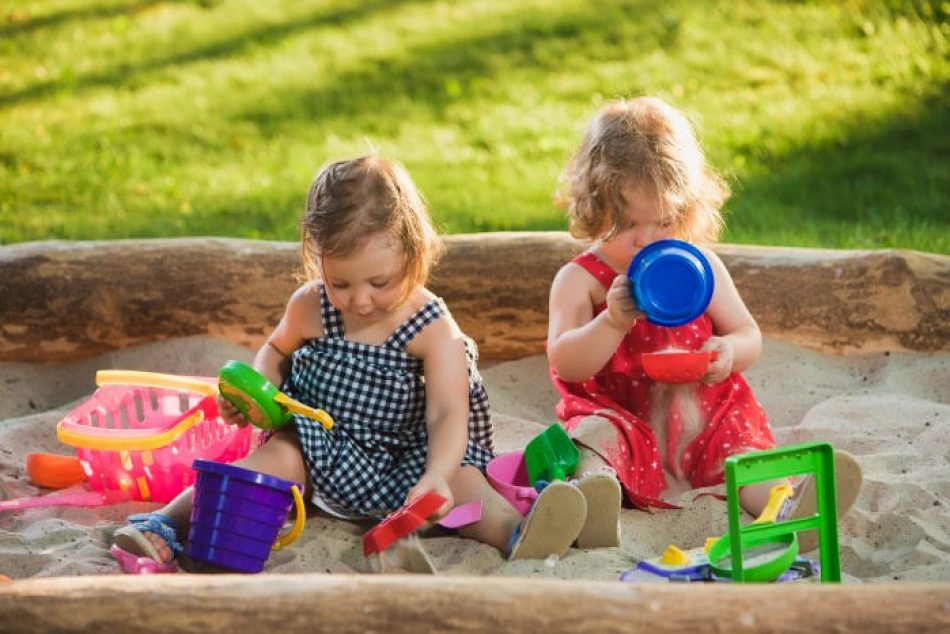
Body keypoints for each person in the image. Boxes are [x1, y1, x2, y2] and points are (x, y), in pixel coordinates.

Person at [115, 155, 587, 567]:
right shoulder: (310, 306)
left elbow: (447, 413)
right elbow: (276, 349)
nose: (360, 300)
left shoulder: (431, 326)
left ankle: (517, 533)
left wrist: (436, 473)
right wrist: (257, 392)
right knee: (268, 460)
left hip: (409, 464)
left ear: (413, 253)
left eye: (379, 283)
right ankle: (164, 521)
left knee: (465, 480)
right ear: (317, 258)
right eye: (341, 283)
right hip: (319, 450)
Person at [546, 97, 862, 550]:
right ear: (596, 208)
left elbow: (748, 333)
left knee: (740, 450)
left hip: (702, 412)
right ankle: (594, 502)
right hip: (623, 414)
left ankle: (786, 506)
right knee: (592, 440)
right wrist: (613, 322)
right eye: (628, 223)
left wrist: (729, 353)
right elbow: (568, 363)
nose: (647, 240)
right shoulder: (582, 280)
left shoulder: (699, 268)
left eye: (664, 222)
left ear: (686, 211)